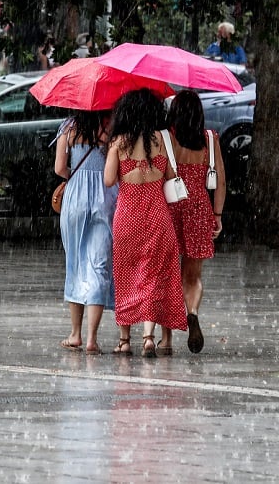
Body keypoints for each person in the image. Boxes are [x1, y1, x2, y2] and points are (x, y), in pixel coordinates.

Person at [104, 89, 187, 357]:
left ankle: (124, 339)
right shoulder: (163, 141)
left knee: (126, 274)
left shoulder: (119, 142)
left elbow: (108, 180)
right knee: (152, 275)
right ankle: (149, 337)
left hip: (127, 217)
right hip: (157, 217)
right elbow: (171, 175)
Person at [158, 91, 226, 355]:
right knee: (193, 276)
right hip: (199, 209)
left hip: (171, 207)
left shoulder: (167, 139)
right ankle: (193, 312)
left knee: (167, 273)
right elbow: (220, 180)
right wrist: (217, 215)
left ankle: (166, 339)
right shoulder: (210, 140)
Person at [55, 110, 118, 355]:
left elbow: (60, 167)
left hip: (75, 199)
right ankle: (92, 337)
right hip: (106, 198)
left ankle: (75, 334)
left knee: (75, 263)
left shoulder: (68, 128)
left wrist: (77, 176)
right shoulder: (110, 129)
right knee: (99, 266)